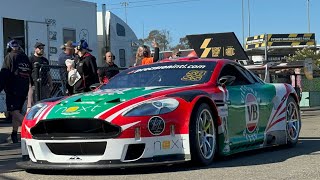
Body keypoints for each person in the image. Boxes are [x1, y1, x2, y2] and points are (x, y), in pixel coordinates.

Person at [0, 40, 32, 143]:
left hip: (13, 88)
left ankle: (30, 127)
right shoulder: (25, 57)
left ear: (9, 48)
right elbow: (30, 72)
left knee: (13, 111)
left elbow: (5, 73)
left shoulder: (10, 57)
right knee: (16, 111)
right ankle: (14, 134)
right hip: (24, 88)